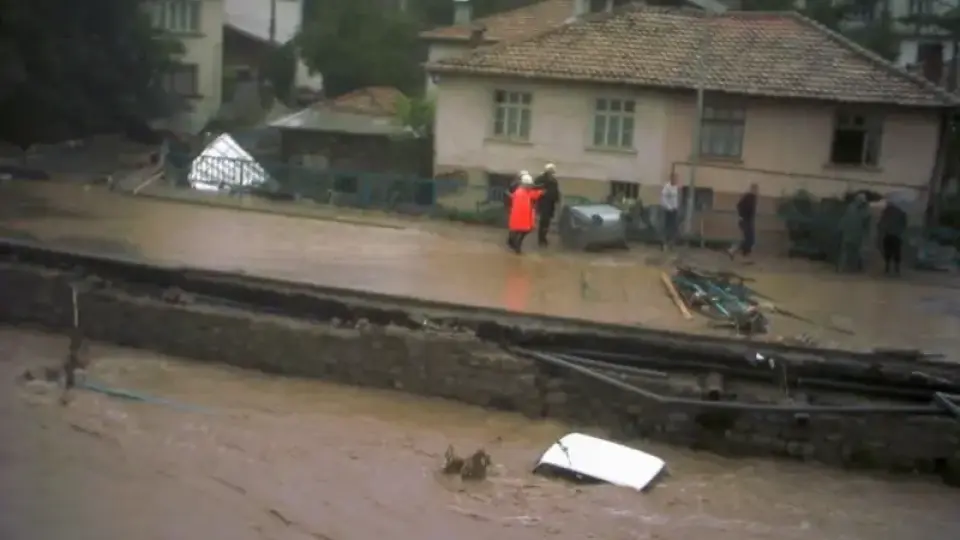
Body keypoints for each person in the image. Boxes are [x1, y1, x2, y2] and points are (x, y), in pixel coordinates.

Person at [506, 172, 543, 254]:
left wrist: (540, 192)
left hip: (522, 217)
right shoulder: (520, 192)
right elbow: (526, 202)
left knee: (519, 231)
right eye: (529, 185)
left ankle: (515, 245)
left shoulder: (524, 191)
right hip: (521, 216)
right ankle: (516, 246)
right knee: (520, 231)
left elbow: (533, 195)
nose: (530, 186)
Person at [837, 193, 870, 272]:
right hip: (856, 233)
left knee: (845, 251)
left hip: (848, 232)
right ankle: (856, 267)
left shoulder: (850, 207)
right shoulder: (863, 210)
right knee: (856, 251)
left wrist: (840, 228)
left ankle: (841, 268)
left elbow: (843, 219)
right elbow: (866, 221)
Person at [877, 199, 907, 275]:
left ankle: (887, 267)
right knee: (897, 251)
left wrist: (881, 230)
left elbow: (881, 223)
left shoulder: (886, 212)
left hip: (888, 234)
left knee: (888, 251)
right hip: (897, 235)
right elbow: (904, 222)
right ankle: (897, 268)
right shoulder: (900, 211)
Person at [728, 183, 758, 259]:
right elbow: (739, 205)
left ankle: (744, 253)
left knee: (750, 239)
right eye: (755, 189)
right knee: (749, 239)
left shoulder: (753, 198)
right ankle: (734, 249)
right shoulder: (749, 197)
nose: (756, 191)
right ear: (752, 189)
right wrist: (741, 216)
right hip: (745, 220)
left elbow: (750, 210)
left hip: (748, 221)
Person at [534, 163, 561, 246]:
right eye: (551, 171)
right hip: (543, 203)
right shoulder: (541, 179)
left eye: (553, 171)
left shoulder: (554, 180)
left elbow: (556, 191)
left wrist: (557, 199)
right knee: (543, 221)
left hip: (551, 203)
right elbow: (535, 187)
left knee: (547, 222)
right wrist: (541, 192)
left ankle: (544, 237)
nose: (552, 172)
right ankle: (541, 239)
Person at [660, 174, 680, 250]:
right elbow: (663, 199)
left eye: (676, 179)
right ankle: (664, 243)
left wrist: (676, 207)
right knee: (667, 226)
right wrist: (669, 207)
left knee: (673, 227)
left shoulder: (676, 187)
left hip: (674, 209)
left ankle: (671, 243)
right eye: (674, 179)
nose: (676, 180)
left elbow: (676, 198)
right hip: (668, 210)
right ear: (671, 179)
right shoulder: (667, 187)